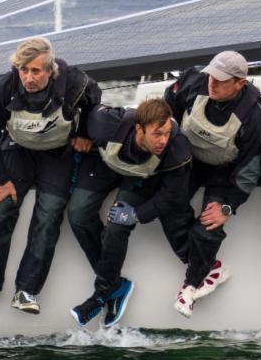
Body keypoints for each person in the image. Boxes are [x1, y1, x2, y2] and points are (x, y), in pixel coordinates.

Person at [0, 37, 101, 314]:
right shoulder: (5, 86)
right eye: (23, 70)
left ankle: (26, 290)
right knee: (1, 209)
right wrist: (1, 180)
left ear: (50, 71)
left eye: (36, 71)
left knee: (49, 214)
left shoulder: (75, 82)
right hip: (17, 150)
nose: (28, 77)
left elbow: (95, 102)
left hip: (57, 154)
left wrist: (85, 134)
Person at [68, 98, 192, 327]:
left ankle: (100, 294)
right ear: (139, 129)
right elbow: (81, 116)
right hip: (106, 164)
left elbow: (173, 195)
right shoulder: (104, 123)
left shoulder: (176, 145)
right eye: (157, 134)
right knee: (77, 214)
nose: (163, 140)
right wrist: (81, 137)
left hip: (140, 178)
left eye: (166, 133)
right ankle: (116, 284)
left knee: (117, 225)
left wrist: (138, 214)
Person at [163, 51, 261, 317]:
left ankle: (190, 286)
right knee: (166, 204)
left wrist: (228, 208)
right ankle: (209, 268)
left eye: (220, 80)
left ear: (239, 83)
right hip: (189, 162)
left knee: (208, 226)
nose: (212, 83)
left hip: (224, 173)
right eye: (211, 76)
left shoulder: (254, 114)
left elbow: (250, 169)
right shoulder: (195, 82)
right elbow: (167, 107)